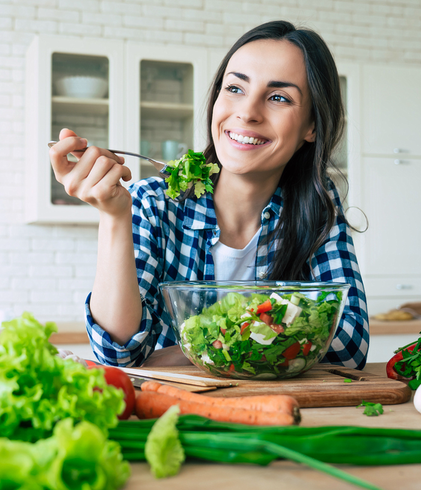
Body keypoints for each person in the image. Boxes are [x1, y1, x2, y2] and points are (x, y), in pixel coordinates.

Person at [49, 20, 369, 370]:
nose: (247, 112)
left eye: (278, 97)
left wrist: (192, 350)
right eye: (235, 88)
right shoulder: (154, 202)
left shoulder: (318, 206)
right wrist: (113, 216)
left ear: (311, 126)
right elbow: (119, 353)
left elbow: (349, 345)